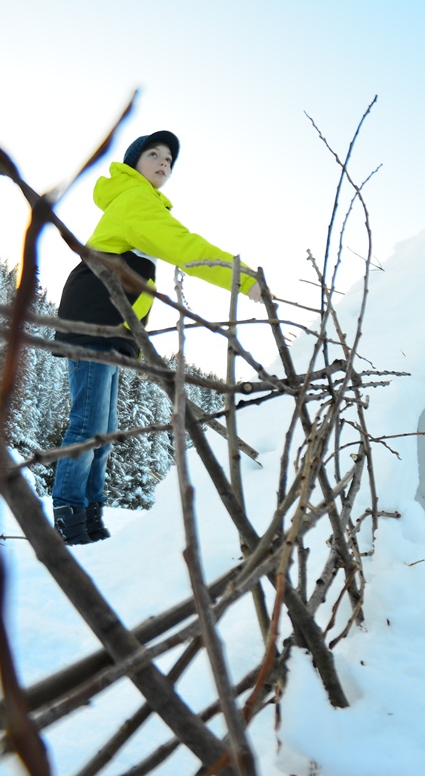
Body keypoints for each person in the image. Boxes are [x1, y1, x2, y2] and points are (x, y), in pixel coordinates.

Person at [50, 130, 262, 545]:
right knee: (89, 425)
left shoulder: (140, 200)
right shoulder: (135, 199)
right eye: (154, 154)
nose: (164, 162)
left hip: (112, 324)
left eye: (169, 159)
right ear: (134, 162)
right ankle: (69, 514)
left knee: (104, 428)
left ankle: (90, 515)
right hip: (96, 315)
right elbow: (184, 246)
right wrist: (241, 277)